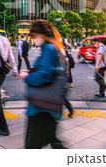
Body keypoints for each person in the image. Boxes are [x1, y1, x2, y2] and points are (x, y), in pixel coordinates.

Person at [19, 20, 66, 149]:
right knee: (48, 140)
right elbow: (47, 71)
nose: (33, 39)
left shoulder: (48, 48)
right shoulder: (52, 47)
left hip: (41, 107)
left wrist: (27, 76)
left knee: (32, 146)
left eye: (33, 36)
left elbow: (44, 76)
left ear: (40, 34)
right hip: (46, 106)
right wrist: (31, 72)